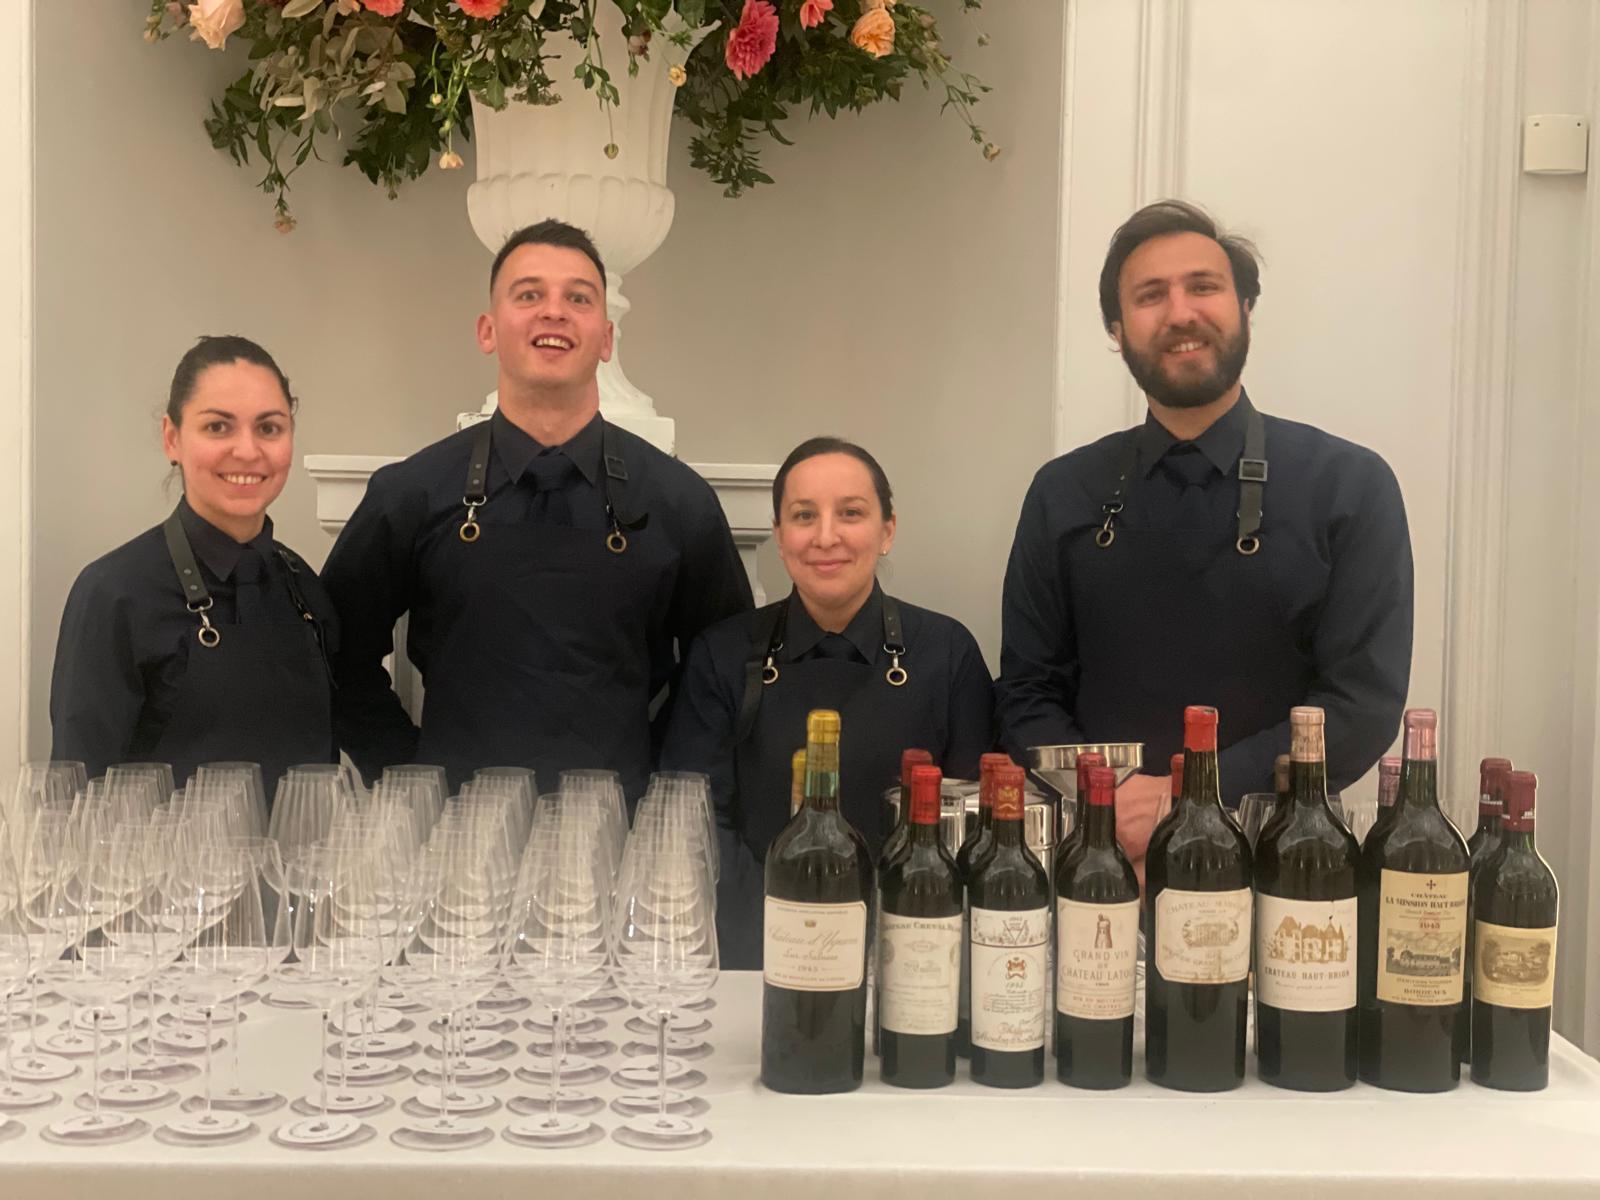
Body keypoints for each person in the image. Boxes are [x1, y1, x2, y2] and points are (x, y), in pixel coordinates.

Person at [997, 200, 1412, 877]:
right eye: (1150, 296)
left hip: (1284, 863)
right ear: (1117, 330)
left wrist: (1188, 796)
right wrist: (1109, 807)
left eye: (1203, 286)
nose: (1180, 313)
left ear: (1245, 308)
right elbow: (1026, 693)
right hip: (1100, 862)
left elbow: (1360, 705)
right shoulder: (1061, 492)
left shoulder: (1350, 486)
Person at [321, 220, 752, 796]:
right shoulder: (412, 492)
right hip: (450, 828)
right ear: (488, 330)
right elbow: (333, 654)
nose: (554, 312)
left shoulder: (678, 501)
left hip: (622, 824)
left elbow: (726, 669)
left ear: (606, 338)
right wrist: (408, 777)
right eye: (529, 295)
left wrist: (659, 785)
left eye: (579, 298)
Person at [663, 437, 994, 966]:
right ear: (779, 536)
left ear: (887, 530)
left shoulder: (947, 653)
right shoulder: (721, 655)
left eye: (851, 513)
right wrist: (788, 945)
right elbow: (698, 826)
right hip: (759, 955)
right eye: (803, 515)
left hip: (912, 958)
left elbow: (973, 834)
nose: (825, 536)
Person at [50, 335, 338, 795]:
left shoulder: (303, 586)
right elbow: (77, 798)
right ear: (173, 438)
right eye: (218, 427)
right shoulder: (114, 593)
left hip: (299, 846)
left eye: (269, 428)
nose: (248, 451)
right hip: (153, 846)